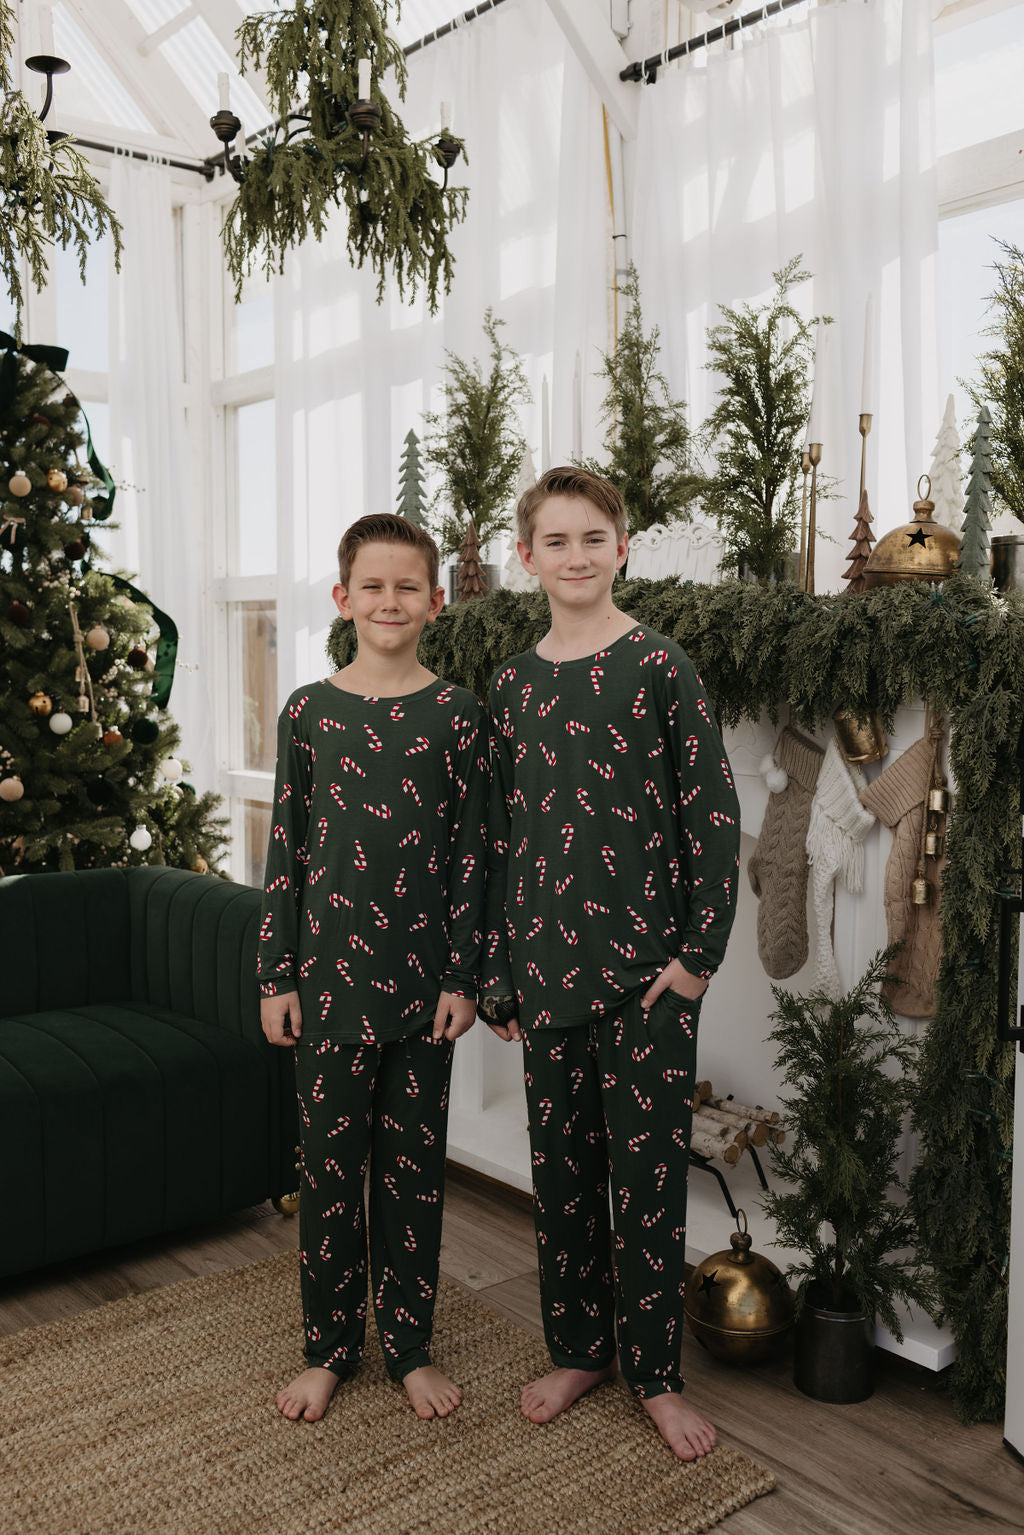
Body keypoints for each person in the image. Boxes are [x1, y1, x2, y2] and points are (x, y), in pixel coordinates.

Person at [481, 467, 741, 1461]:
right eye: (557, 540)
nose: (577, 554)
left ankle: (657, 1372)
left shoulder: (657, 666)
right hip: (546, 975)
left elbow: (711, 816)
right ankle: (580, 1347)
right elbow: (499, 838)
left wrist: (696, 956)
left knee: (643, 1178)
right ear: (528, 555)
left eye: (595, 536)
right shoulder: (510, 683)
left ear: (622, 546)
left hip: (647, 979)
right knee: (564, 1175)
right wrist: (499, 973)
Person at [259, 513, 489, 1424]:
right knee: (328, 1170)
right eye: (372, 585)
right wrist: (275, 973)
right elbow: (287, 849)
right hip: (324, 987)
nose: (389, 601)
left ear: (436, 601)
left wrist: (462, 975)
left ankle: (410, 1346)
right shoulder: (310, 713)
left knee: (411, 1170)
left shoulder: (458, 716)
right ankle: (328, 1347)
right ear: (342, 597)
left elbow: (474, 854)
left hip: (422, 987)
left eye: (407, 587)